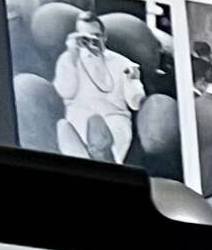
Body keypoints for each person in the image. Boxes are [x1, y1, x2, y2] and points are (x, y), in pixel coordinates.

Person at [53, 11, 144, 163]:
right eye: (86, 37)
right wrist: (71, 58)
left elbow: (135, 103)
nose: (92, 41)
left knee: (105, 139)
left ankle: (102, 157)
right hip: (79, 117)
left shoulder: (123, 62)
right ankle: (88, 159)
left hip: (113, 118)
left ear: (104, 37)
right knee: (65, 129)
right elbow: (65, 92)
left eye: (96, 36)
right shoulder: (68, 59)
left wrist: (134, 81)